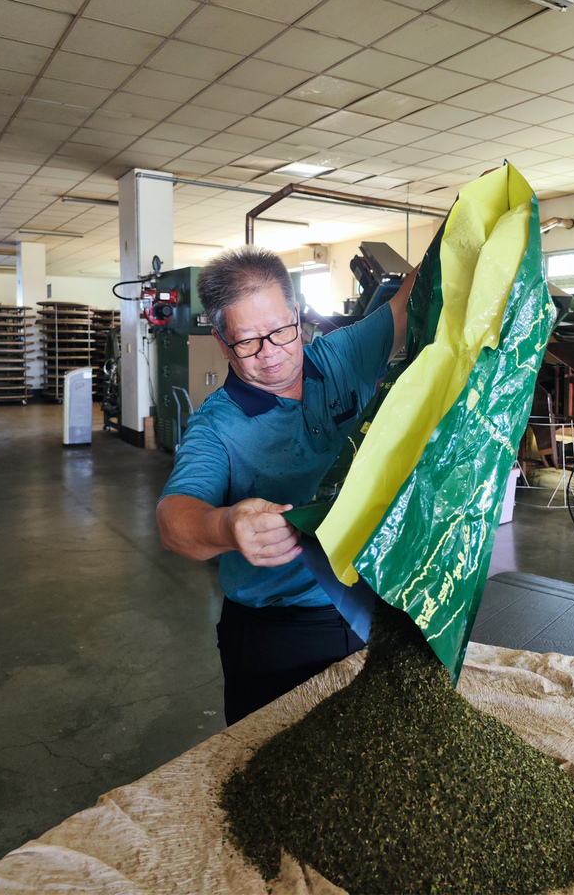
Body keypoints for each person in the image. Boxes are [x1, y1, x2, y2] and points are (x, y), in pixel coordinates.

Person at [156, 245, 415, 724]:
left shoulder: (340, 357)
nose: (271, 354)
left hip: (375, 607)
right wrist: (227, 525)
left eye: (281, 331)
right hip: (277, 634)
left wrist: (467, 225)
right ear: (219, 337)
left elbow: (408, 303)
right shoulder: (217, 426)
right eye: (248, 341)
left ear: (297, 314)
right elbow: (175, 520)